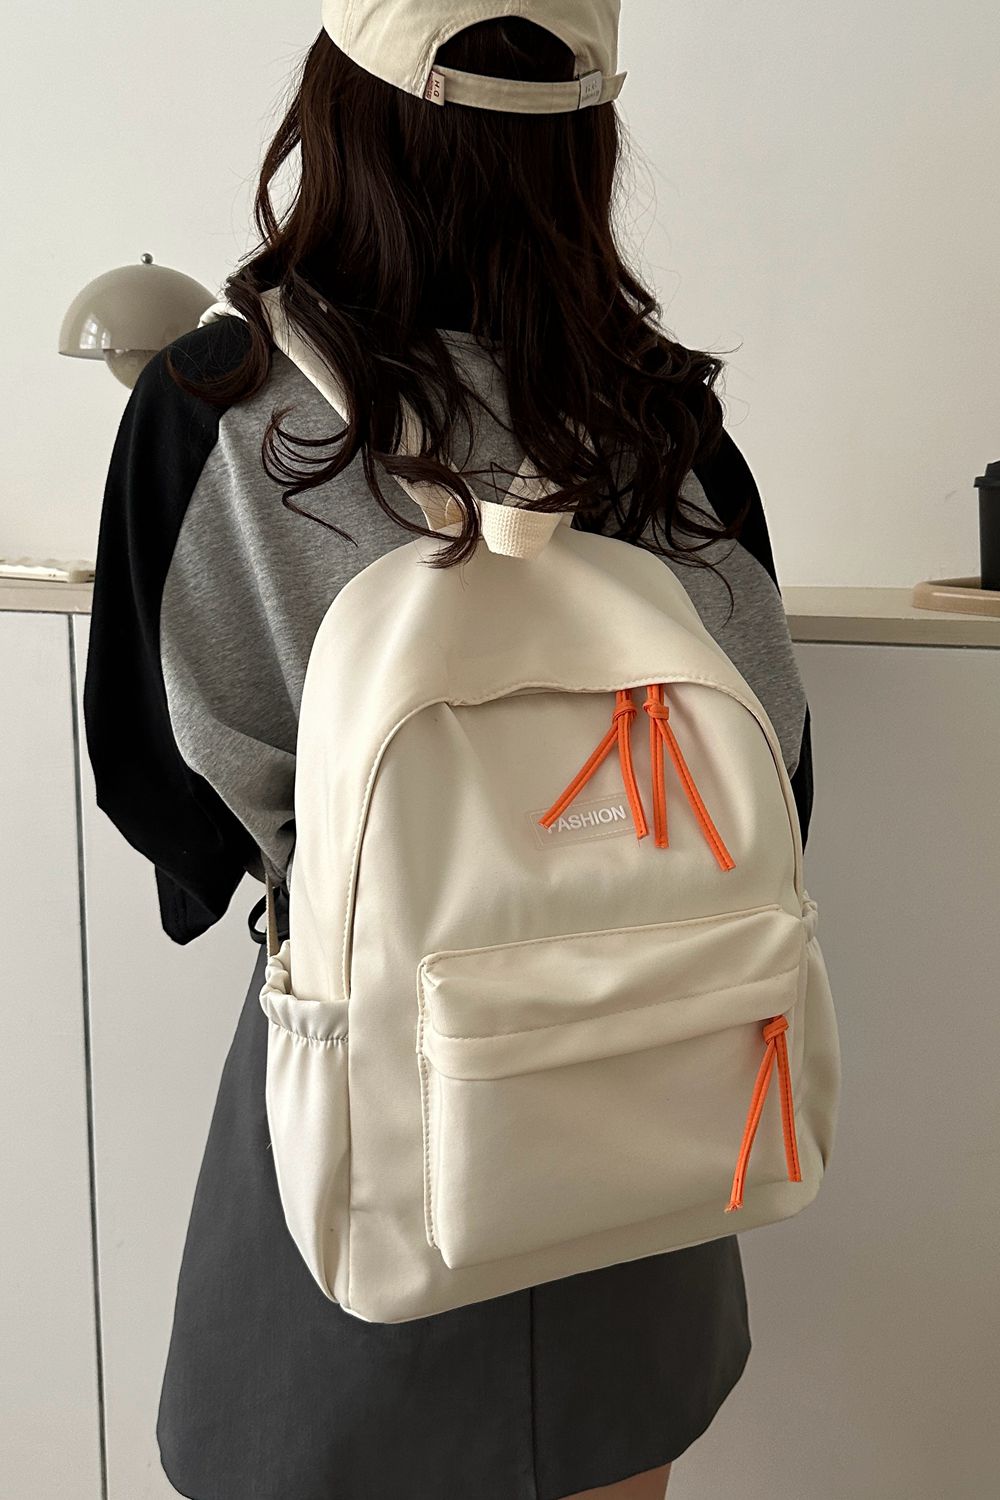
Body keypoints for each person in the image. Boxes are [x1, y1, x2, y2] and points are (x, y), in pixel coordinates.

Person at [83, 5, 814, 1498]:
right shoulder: (661, 419)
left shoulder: (216, 403)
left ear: (339, 112)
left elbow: (158, 777)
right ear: (588, 138)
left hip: (364, 1105)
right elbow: (779, 775)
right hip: (647, 1096)